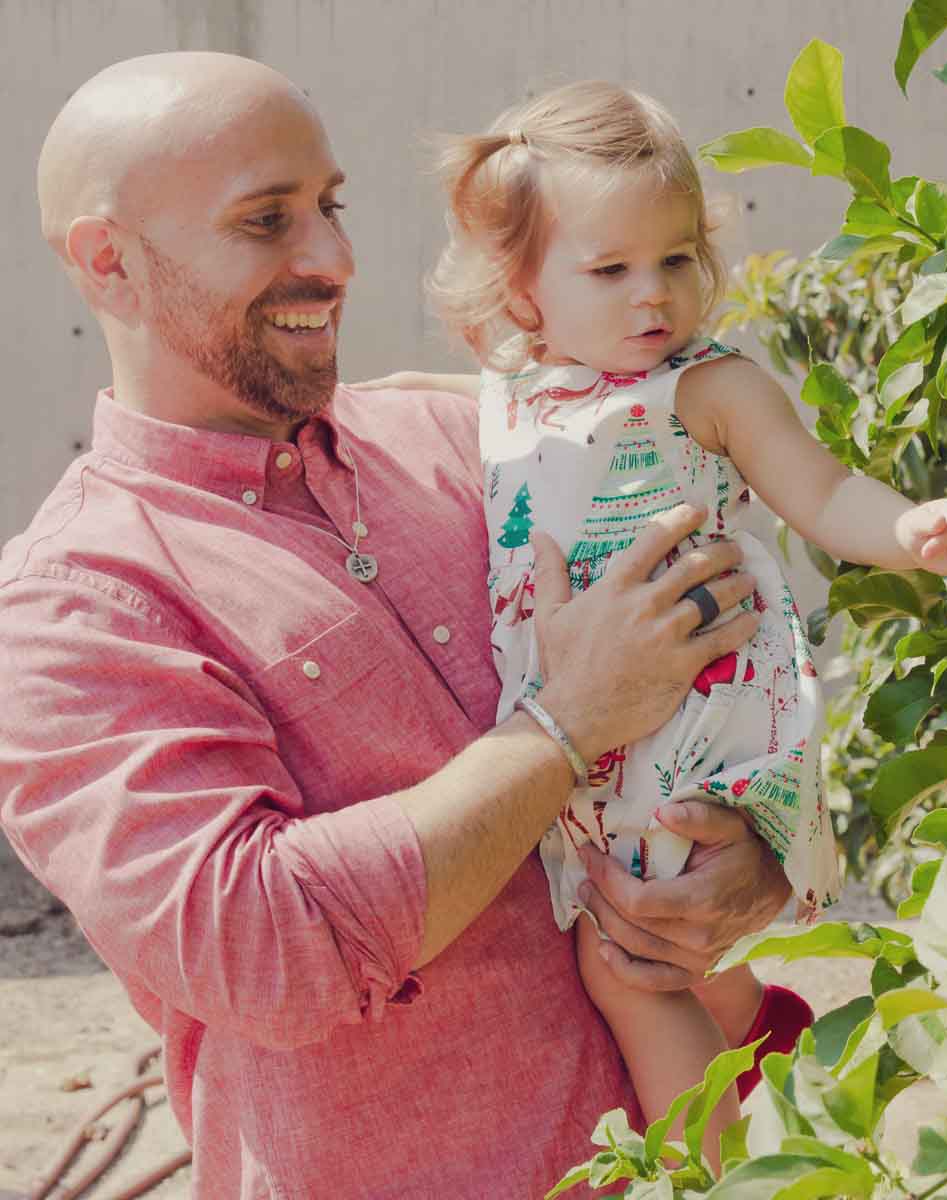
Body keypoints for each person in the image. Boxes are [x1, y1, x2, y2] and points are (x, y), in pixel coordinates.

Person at [0, 54, 796, 1199]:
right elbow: (260, 948)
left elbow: (730, 695)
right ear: (105, 260)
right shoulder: (77, 604)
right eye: (264, 221)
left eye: (327, 205)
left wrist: (749, 865)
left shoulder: (471, 437)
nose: (330, 258)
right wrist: (566, 725)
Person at [425, 80, 947, 1162]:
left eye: (677, 258)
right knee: (665, 940)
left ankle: (708, 1173)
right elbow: (407, 400)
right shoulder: (511, 400)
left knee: (626, 961)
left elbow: (822, 494)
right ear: (521, 288)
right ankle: (755, 1040)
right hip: (586, 730)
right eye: (611, 269)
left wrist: (910, 525)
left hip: (691, 721)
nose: (656, 296)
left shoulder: (708, 387)